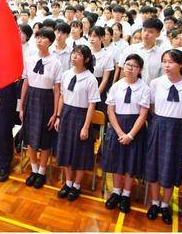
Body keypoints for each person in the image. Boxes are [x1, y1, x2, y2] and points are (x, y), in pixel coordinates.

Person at [146, 49, 182, 224]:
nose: (166, 65)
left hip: (178, 129)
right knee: (154, 164)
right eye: (164, 61)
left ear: (181, 64)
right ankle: (154, 203)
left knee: (171, 166)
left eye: (171, 62)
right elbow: (152, 107)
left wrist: (176, 122)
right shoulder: (156, 83)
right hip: (158, 125)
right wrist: (162, 121)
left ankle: (164, 205)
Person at [102, 54, 149, 214]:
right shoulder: (116, 86)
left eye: (134, 66)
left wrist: (130, 135)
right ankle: (116, 192)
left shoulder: (144, 88)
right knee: (117, 161)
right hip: (117, 127)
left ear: (140, 69)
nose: (129, 68)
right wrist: (120, 132)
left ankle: (126, 195)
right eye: (127, 65)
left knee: (130, 162)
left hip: (135, 128)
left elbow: (143, 115)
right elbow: (110, 110)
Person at [54, 45, 101, 201]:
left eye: (78, 55)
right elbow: (62, 96)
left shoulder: (90, 79)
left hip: (81, 116)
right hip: (67, 114)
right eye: (73, 53)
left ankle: (77, 185)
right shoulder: (66, 74)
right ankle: (68, 182)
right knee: (66, 149)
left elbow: (92, 105)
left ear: (86, 59)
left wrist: (86, 127)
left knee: (80, 152)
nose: (74, 56)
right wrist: (59, 117)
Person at [20, 28, 62, 189]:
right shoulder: (30, 59)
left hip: (47, 100)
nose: (39, 40)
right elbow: (25, 82)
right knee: (30, 137)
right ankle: (34, 169)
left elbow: (57, 89)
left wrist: (55, 113)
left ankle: (42, 172)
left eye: (43, 38)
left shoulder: (55, 62)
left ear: (50, 42)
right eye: (38, 37)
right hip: (31, 98)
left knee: (45, 138)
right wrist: (21, 107)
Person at [119, 18, 166, 86]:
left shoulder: (161, 54)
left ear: (158, 34)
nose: (146, 34)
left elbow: (162, 77)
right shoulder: (130, 49)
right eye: (144, 30)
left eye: (150, 32)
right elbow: (123, 72)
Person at [88, 26, 114, 112]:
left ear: (102, 38)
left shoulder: (107, 56)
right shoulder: (86, 52)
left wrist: (96, 95)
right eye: (90, 36)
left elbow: (105, 79)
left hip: (98, 86)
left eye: (95, 36)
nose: (91, 39)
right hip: (85, 85)